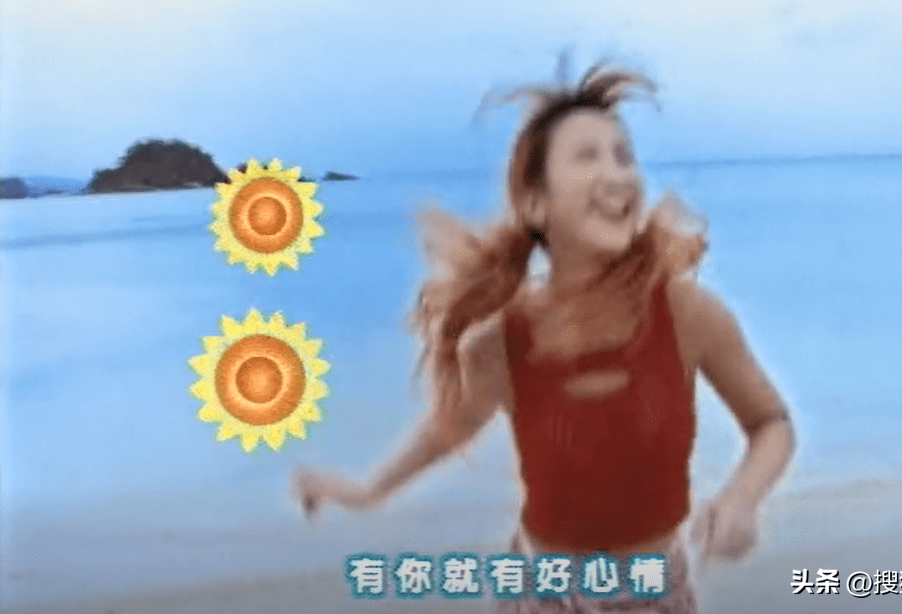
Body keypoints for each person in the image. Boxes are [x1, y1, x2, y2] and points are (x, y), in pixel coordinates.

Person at [292, 61, 796, 613]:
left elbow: (770, 423)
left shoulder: (686, 314)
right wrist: (367, 492)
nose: (617, 173)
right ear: (536, 203)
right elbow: (447, 430)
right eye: (587, 156)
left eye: (624, 155)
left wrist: (742, 498)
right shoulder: (503, 344)